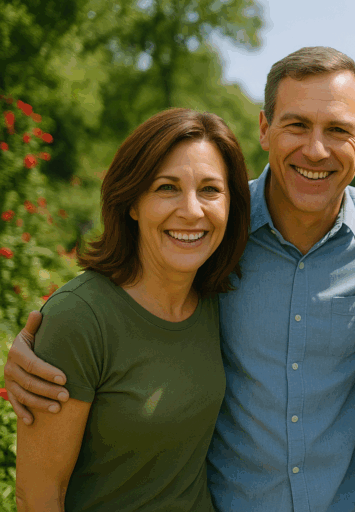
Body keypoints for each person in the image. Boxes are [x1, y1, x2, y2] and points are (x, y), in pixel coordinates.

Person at [5, 47, 355, 512]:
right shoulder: (214, 230)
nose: (315, 149)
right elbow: (122, 303)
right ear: (265, 128)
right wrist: (44, 344)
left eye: (338, 130)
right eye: (296, 124)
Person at [15, 108, 251, 511]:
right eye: (166, 187)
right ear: (132, 202)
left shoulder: (217, 302)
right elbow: (37, 496)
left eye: (210, 190)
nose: (192, 210)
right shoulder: (81, 317)